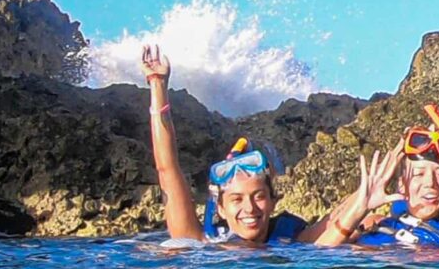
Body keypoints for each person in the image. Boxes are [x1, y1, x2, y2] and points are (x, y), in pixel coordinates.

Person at [141, 45, 335, 247]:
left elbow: (338, 223)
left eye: (258, 196)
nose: (249, 209)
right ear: (220, 208)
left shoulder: (292, 241)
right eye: (236, 199)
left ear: (273, 201)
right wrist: (157, 83)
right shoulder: (200, 243)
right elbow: (167, 168)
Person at [320, 104, 439, 247]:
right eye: (418, 173)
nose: (430, 183)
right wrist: (358, 209)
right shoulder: (373, 225)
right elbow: (318, 265)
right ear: (402, 185)